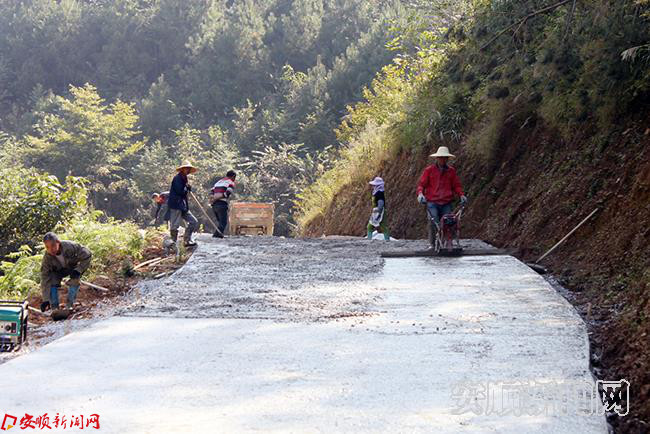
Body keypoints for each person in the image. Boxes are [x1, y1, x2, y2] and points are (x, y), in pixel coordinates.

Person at [416, 146, 468, 248]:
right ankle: (432, 244)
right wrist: (420, 194)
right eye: (441, 157)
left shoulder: (451, 171)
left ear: (447, 159)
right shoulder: (429, 170)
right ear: (437, 158)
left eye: (445, 158)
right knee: (433, 221)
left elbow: (456, 185)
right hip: (432, 202)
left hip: (446, 202)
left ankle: (447, 242)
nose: (443, 159)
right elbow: (421, 185)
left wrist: (461, 195)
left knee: (449, 222)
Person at [40, 232, 92, 312]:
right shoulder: (47, 258)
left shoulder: (71, 246)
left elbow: (87, 255)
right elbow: (44, 277)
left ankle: (69, 305)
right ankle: (54, 308)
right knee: (52, 281)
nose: (51, 249)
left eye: (53, 245)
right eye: (47, 247)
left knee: (75, 279)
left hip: (72, 268)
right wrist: (45, 300)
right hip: (57, 272)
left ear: (58, 242)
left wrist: (79, 270)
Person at [168, 162, 199, 247]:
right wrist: (186, 188)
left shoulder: (184, 178)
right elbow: (180, 191)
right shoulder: (177, 178)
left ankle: (187, 240)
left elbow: (184, 194)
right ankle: (173, 243)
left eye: (189, 169)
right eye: (186, 168)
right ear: (182, 169)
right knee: (175, 225)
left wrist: (187, 188)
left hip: (183, 205)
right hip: (176, 204)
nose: (188, 170)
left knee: (194, 222)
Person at [210, 170, 237, 238]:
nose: (234, 180)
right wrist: (218, 197)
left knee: (220, 222)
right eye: (234, 178)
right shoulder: (230, 182)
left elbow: (212, 192)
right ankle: (216, 235)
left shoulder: (218, 182)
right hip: (221, 204)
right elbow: (227, 193)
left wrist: (213, 199)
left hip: (214, 205)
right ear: (233, 176)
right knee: (223, 222)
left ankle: (217, 235)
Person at [367, 177, 390, 241]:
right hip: (376, 212)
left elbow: (381, 203)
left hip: (379, 211)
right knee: (370, 226)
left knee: (383, 226)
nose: (373, 186)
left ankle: (387, 240)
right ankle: (369, 240)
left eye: (374, 185)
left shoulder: (379, 193)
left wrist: (378, 213)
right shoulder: (377, 193)